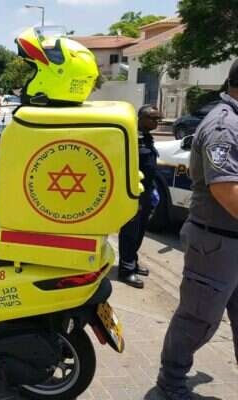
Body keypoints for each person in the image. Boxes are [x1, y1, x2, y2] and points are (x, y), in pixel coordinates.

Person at [157, 60, 238, 400]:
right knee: (197, 318)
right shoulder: (225, 126)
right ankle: (171, 382)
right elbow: (226, 189)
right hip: (216, 244)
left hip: (229, 240)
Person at [117, 105, 162, 289]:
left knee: (141, 229)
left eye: (158, 119)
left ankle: (133, 262)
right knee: (130, 231)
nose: (156, 122)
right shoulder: (132, 138)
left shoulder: (147, 138)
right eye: (153, 118)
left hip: (146, 191)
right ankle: (126, 270)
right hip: (134, 191)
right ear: (141, 118)